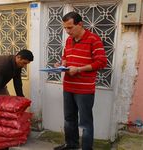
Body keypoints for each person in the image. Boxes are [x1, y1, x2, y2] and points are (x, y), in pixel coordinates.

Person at [54, 12, 107, 150]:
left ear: (80, 24)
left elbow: (101, 62)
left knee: (85, 123)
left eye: (70, 27)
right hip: (68, 86)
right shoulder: (68, 40)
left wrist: (79, 69)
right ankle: (71, 145)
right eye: (65, 28)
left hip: (84, 90)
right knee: (69, 119)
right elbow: (66, 56)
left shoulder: (93, 39)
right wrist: (62, 64)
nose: (67, 31)